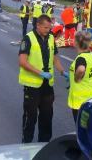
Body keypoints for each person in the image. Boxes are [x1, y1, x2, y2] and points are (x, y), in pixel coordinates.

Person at [18, 15, 68, 143]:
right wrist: (40, 73)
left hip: (47, 86)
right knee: (31, 117)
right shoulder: (28, 38)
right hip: (32, 86)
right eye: (45, 27)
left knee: (47, 117)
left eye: (49, 27)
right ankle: (26, 143)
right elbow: (22, 62)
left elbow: (55, 57)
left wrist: (62, 72)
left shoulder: (51, 38)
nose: (48, 30)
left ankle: (44, 144)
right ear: (38, 25)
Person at [68, 31, 92, 123]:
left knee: (81, 128)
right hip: (91, 98)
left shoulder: (81, 58)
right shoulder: (91, 54)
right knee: (88, 126)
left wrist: (77, 78)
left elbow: (81, 70)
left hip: (80, 101)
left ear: (76, 43)